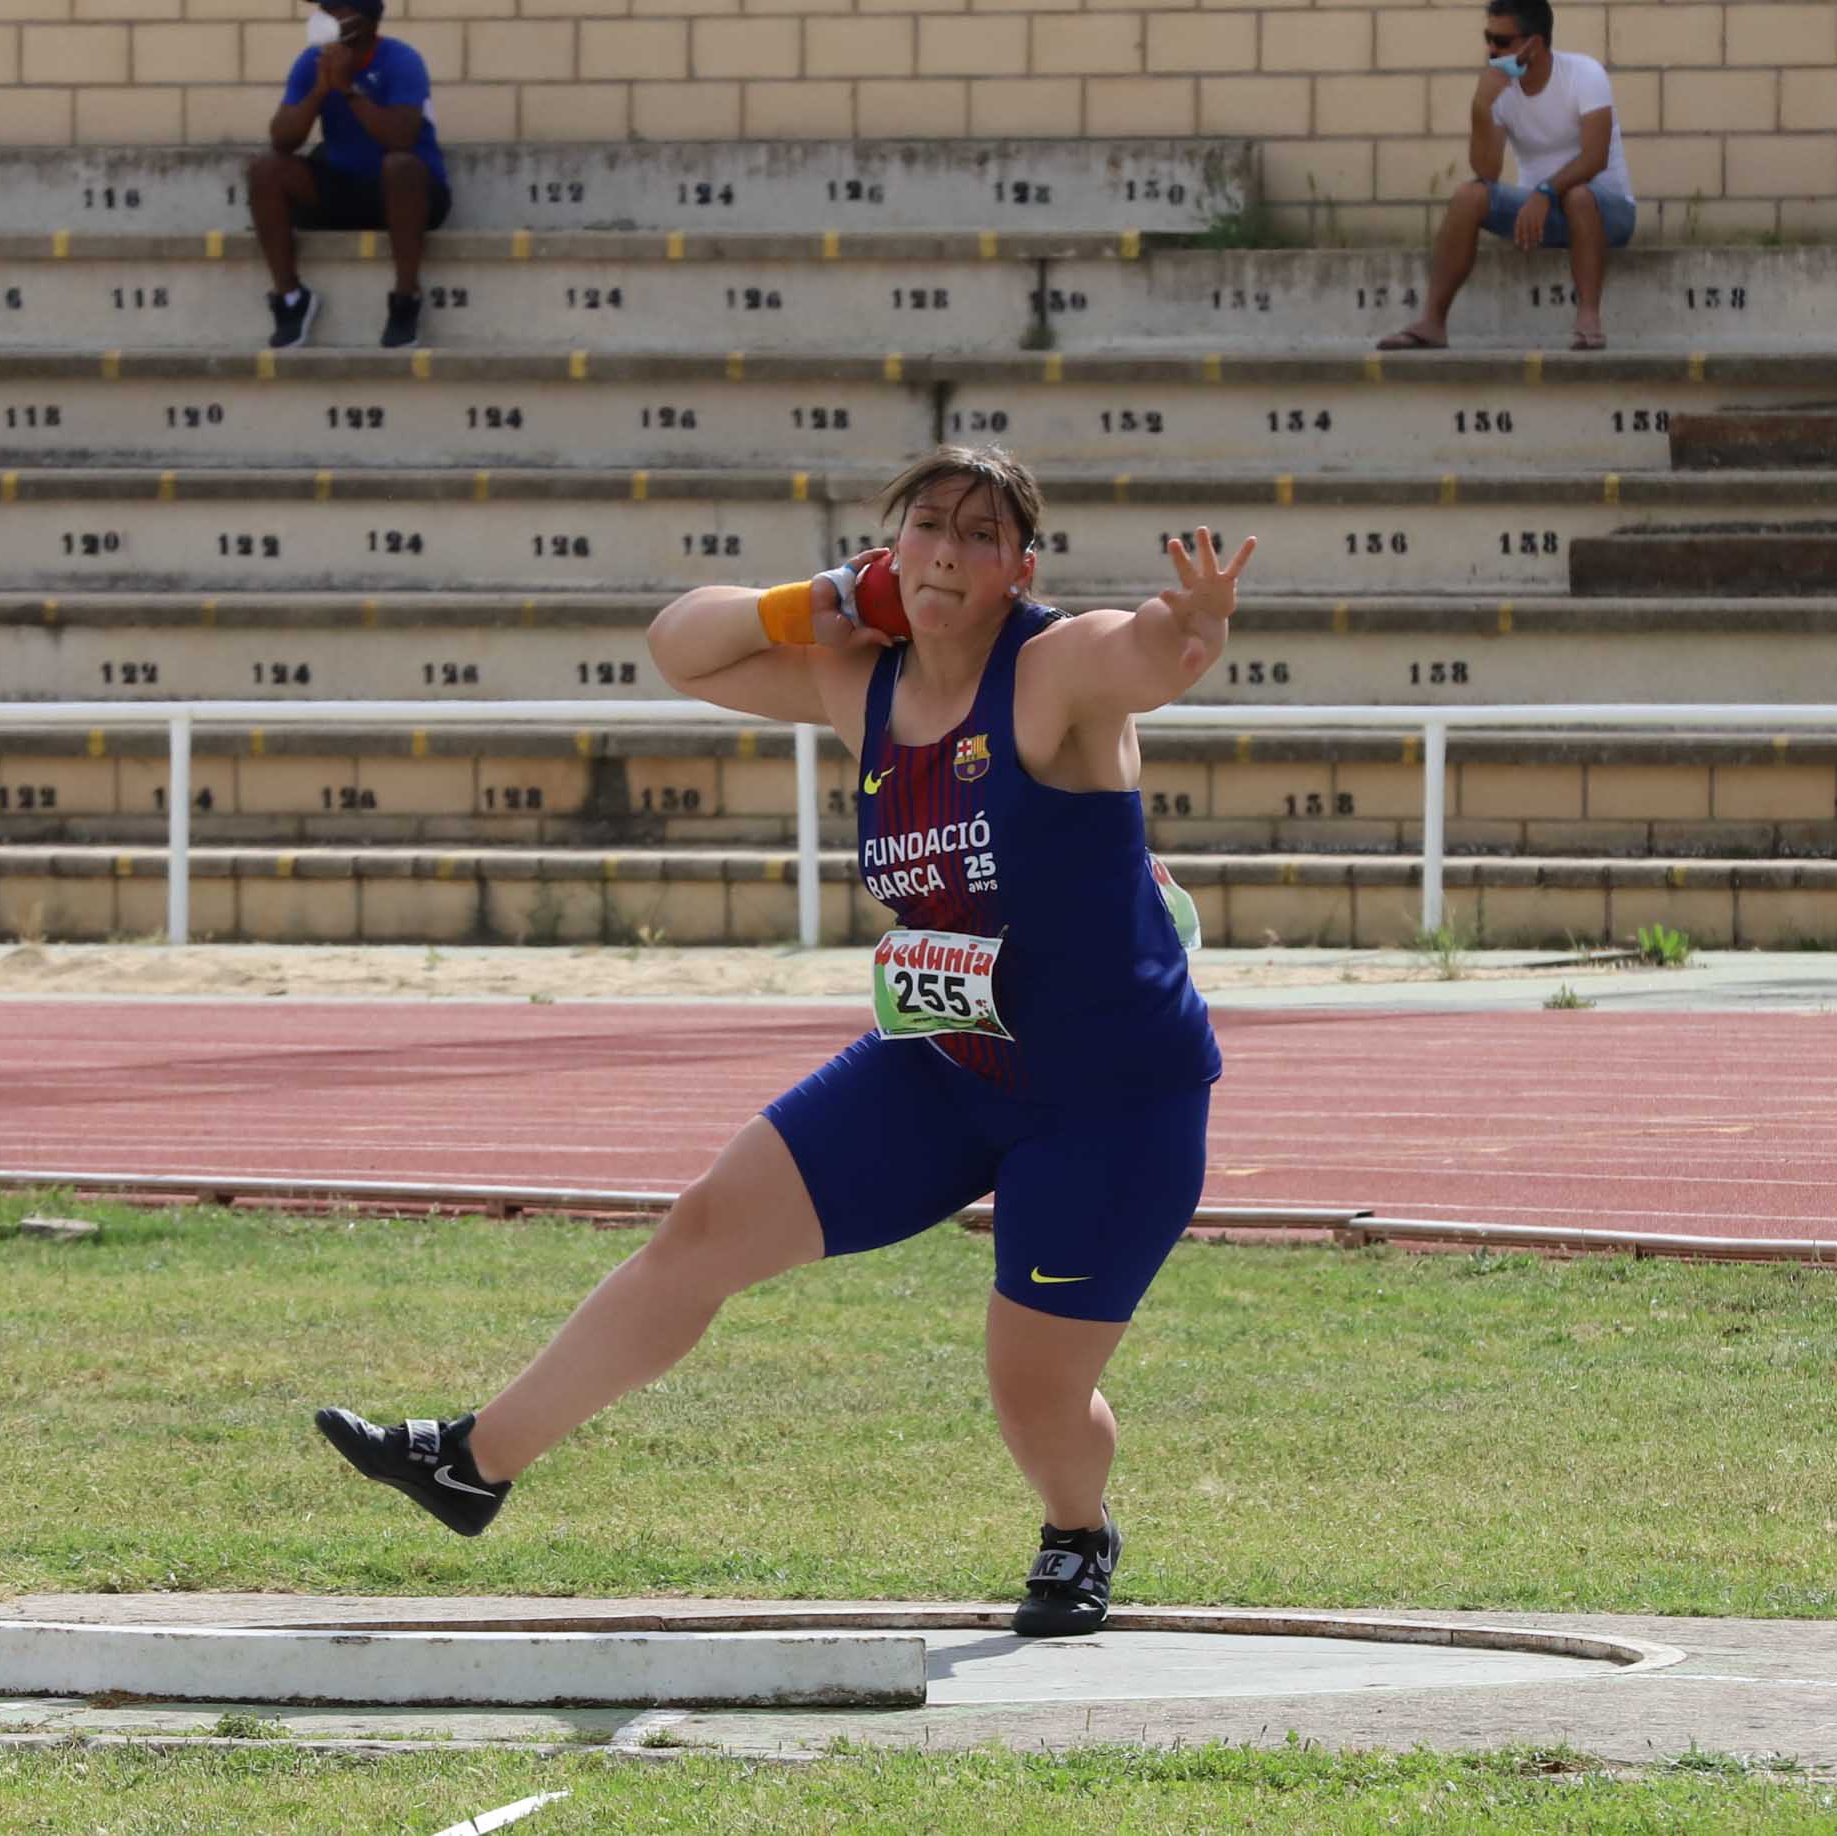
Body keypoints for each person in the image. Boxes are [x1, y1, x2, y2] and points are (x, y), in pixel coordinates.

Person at [316, 446, 1255, 1639]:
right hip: (948, 1057)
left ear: (1021, 567)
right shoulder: (853, 677)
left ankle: (1076, 1529)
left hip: (1109, 1099)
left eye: (980, 535)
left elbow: (1146, 657)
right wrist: (816, 602)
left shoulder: (1052, 668)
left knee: (1031, 1387)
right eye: (927, 527)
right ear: (889, 549)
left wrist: (1192, 626)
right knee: (702, 1227)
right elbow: (677, 646)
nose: (949, 554)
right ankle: (472, 1462)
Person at [1379, 0, 1636, 354]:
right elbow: (1486, 172)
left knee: (1577, 195)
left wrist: (1545, 191)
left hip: (1609, 212)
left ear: (1535, 43)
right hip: (1540, 212)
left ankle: (1588, 318)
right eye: (1488, 39)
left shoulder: (1584, 74)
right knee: (1469, 196)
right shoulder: (1500, 90)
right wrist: (1481, 107)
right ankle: (1433, 322)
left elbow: (1594, 158)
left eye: (1502, 42)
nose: (1491, 50)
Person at [246, 0, 451, 351]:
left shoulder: (402, 61)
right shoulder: (312, 62)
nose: (323, 19)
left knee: (399, 166)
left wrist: (347, 89)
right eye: (323, 9)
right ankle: (291, 299)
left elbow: (400, 139)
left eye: (334, 9)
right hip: (342, 189)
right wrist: (320, 89)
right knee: (265, 169)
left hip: (409, 196)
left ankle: (405, 300)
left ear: (366, 19)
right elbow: (282, 139)